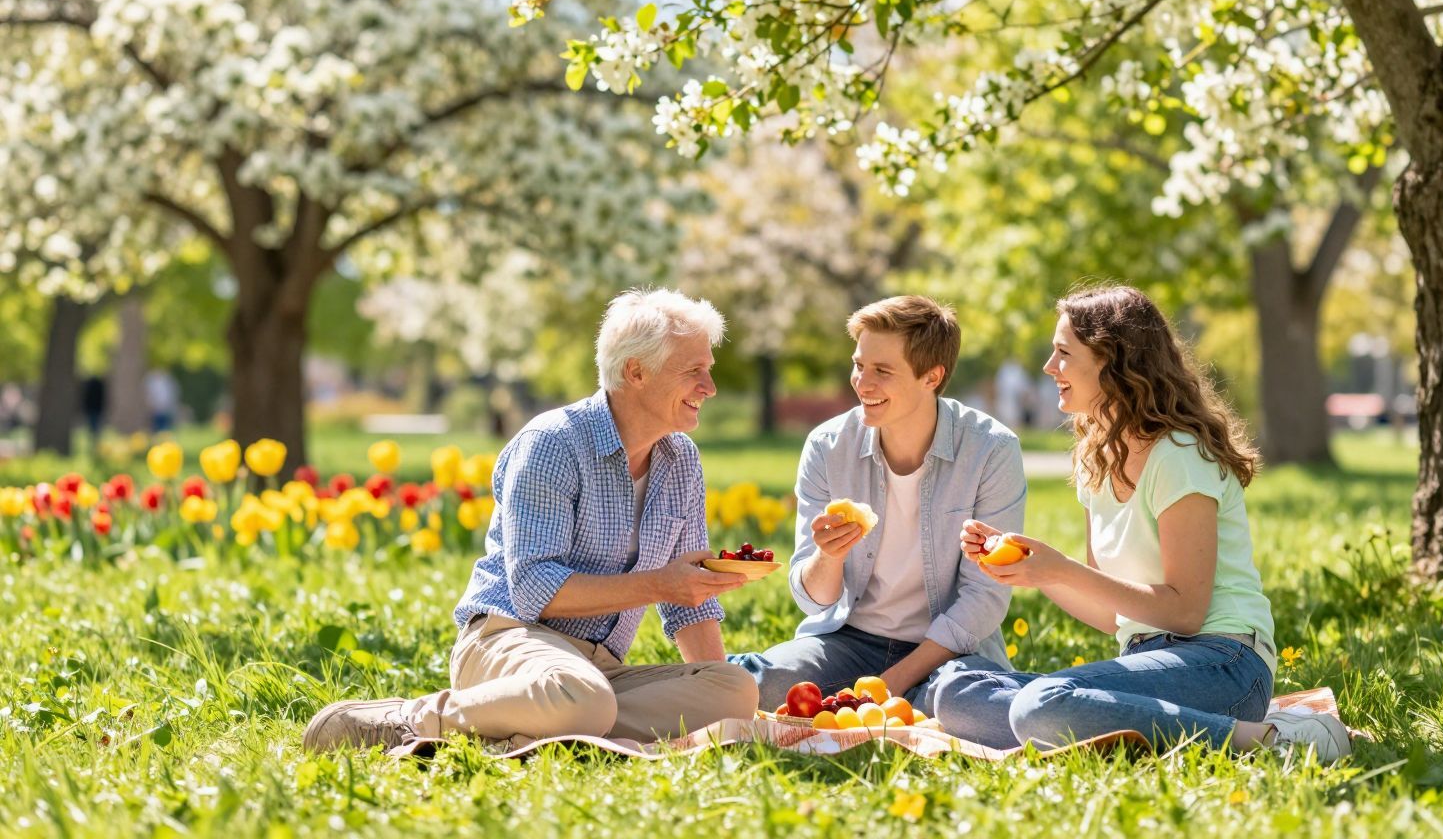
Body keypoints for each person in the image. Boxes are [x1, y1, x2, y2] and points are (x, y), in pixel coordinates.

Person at [304, 288, 758, 752]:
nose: (710, 387)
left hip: (597, 671)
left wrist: (722, 696)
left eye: (709, 370)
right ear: (635, 371)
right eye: (693, 371)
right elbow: (535, 589)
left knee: (736, 691)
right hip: (509, 640)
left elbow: (690, 604)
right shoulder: (553, 444)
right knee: (582, 698)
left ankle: (532, 732)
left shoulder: (680, 460)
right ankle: (412, 720)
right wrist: (661, 584)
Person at [933, 285, 1351, 761]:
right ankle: (1123, 727)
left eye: (1064, 354)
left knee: (1037, 707)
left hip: (1223, 663)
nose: (1050, 368)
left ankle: (1273, 738)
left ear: (1113, 362)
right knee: (955, 690)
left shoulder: (1179, 454)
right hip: (1145, 659)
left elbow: (1185, 613)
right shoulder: (1098, 460)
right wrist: (1033, 571)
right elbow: (1114, 616)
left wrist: (1061, 568)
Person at [731, 296, 1025, 716]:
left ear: (932, 376)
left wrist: (895, 683)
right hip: (848, 640)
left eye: (882, 371)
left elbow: (985, 597)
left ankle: (928, 700)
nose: (861, 383)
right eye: (859, 365)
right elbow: (812, 599)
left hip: (948, 654)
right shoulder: (828, 446)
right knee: (759, 685)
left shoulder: (990, 450)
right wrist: (828, 558)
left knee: (964, 705)